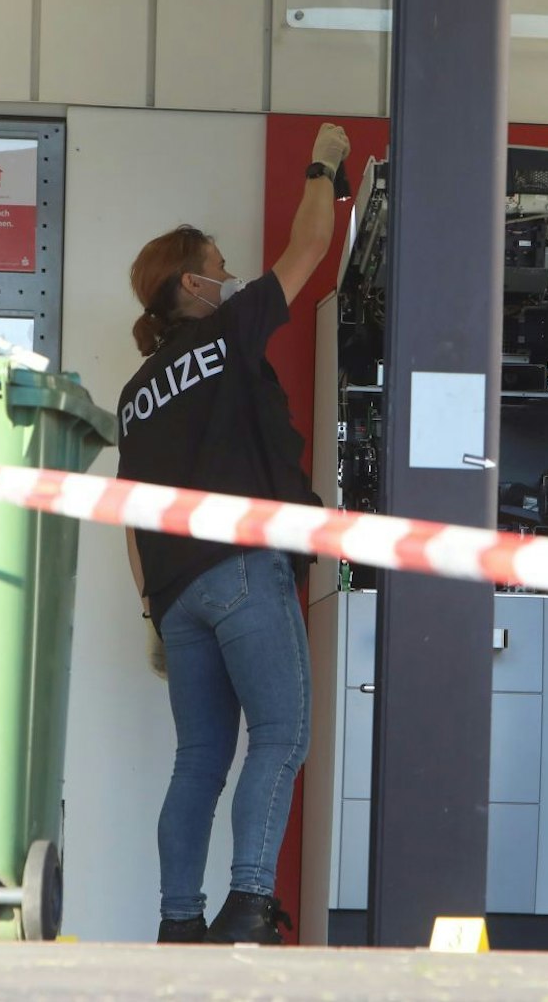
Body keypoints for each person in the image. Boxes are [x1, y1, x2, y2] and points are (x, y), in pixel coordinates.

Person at [117, 123, 351, 945]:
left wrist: (154, 611)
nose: (230, 271)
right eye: (218, 262)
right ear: (193, 281)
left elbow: (132, 516)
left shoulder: (136, 390)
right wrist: (324, 158)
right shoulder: (228, 330)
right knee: (283, 734)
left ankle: (178, 921)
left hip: (178, 595)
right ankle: (249, 906)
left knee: (198, 763)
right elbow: (313, 242)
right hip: (244, 566)